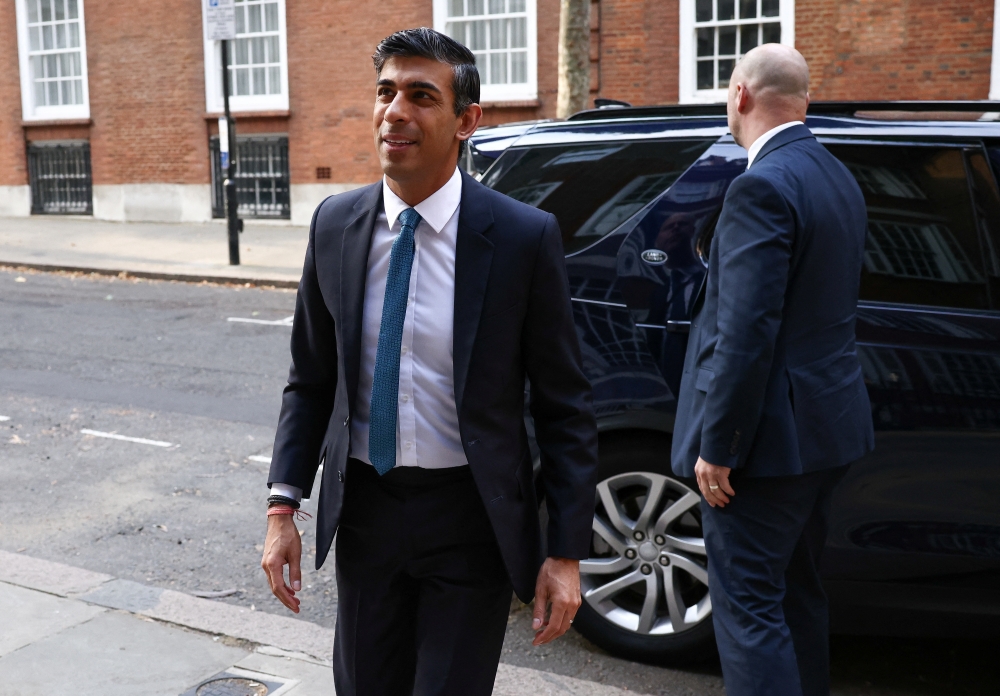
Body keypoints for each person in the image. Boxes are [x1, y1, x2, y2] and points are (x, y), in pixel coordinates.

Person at [260, 27, 598, 696]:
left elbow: (565, 406)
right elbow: (311, 380)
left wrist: (565, 552)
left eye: (421, 96)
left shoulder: (522, 237)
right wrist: (281, 508)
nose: (395, 112)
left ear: (466, 121)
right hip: (366, 512)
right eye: (385, 92)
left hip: (470, 518)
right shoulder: (334, 225)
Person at [670, 44, 874, 696]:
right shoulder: (836, 175)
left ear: (740, 94)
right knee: (795, 593)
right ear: (804, 101)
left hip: (765, 448)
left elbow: (746, 332)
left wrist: (720, 445)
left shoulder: (759, 186)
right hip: (827, 432)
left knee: (750, 609)